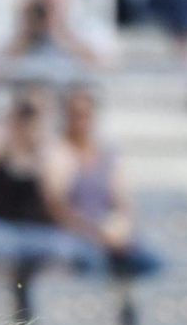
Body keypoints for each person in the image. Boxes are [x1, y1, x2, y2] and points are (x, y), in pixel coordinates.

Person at [0, 90, 107, 279]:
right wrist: (3, 142)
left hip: (34, 232)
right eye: (25, 111)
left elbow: (56, 204)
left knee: (82, 252)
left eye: (35, 113)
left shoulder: (54, 152)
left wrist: (41, 152)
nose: (28, 120)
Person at [52, 87, 162, 277]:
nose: (81, 121)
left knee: (152, 264)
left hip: (109, 233)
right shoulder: (58, 154)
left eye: (86, 114)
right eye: (76, 115)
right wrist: (96, 232)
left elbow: (124, 202)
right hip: (76, 235)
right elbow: (58, 208)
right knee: (92, 263)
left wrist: (121, 227)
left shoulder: (107, 154)